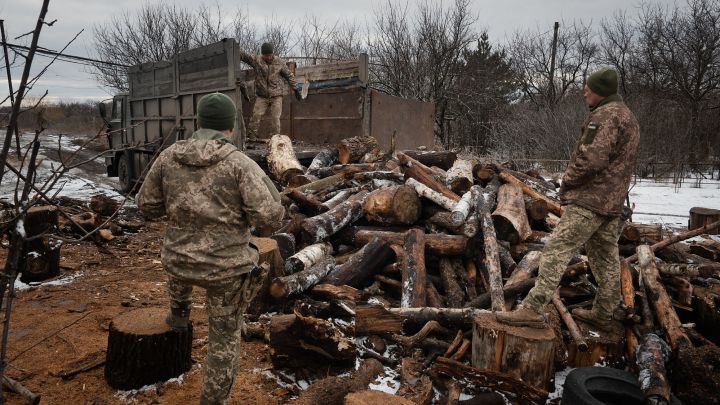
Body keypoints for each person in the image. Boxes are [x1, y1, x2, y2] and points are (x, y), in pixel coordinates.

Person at [136, 92, 284, 404]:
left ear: (199, 123)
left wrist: (181, 210)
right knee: (224, 339)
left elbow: (146, 206)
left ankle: (178, 315)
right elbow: (268, 217)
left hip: (177, 261)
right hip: (224, 270)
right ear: (230, 126)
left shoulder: (168, 156)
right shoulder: (238, 163)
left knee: (182, 250)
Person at [496, 68, 640, 331]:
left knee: (555, 250)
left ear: (601, 91)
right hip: (611, 202)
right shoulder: (627, 116)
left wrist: (568, 179)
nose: (584, 91)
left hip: (591, 200)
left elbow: (592, 158)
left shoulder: (604, 116)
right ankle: (606, 312)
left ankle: (531, 308)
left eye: (589, 87)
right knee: (604, 256)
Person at [239, 42, 301, 142]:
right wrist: (232, 46)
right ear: (262, 54)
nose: (268, 57)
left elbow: (289, 75)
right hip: (262, 95)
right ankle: (251, 139)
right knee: (256, 116)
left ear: (272, 53)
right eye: (265, 55)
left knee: (275, 119)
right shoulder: (257, 60)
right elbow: (244, 56)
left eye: (269, 55)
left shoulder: (279, 62)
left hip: (276, 94)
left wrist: (296, 88)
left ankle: (275, 141)